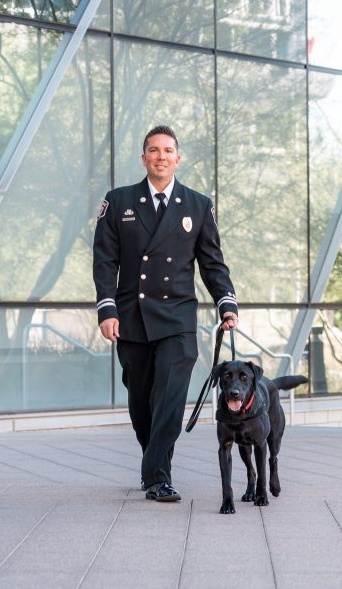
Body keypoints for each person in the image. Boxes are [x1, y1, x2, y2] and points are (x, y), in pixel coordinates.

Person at [93, 125, 239, 502]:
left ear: (178, 158)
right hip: (132, 316)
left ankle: (158, 476)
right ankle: (153, 463)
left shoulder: (197, 205)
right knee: (142, 401)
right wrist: (106, 308)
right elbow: (105, 261)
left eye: (167, 150)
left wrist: (226, 301)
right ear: (144, 158)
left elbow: (212, 263)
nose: (161, 156)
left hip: (177, 316)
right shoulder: (119, 201)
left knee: (171, 397)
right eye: (153, 150)